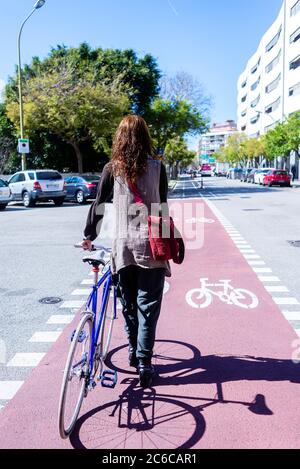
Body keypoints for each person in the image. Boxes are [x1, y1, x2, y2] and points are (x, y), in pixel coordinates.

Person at [82, 115, 171, 388]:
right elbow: (162, 208)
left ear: (119, 139)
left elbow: (98, 206)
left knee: (129, 305)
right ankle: (144, 362)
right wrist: (165, 242)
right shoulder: (158, 168)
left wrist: (89, 236)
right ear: (145, 138)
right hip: (151, 248)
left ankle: (132, 351)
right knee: (149, 307)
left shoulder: (112, 169)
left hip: (122, 250)